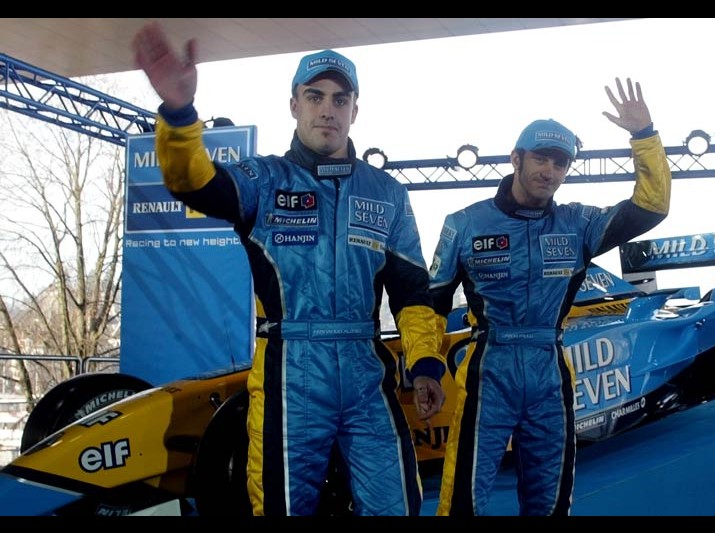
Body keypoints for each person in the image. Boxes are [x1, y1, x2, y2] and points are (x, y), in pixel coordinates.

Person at [130, 22, 447, 516]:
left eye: (340, 99)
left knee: (398, 504)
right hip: (290, 371)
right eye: (315, 96)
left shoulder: (388, 194)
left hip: (367, 373)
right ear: (294, 104)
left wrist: (426, 362)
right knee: (280, 507)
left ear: (354, 110)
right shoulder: (264, 179)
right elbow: (195, 184)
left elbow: (411, 294)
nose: (328, 108)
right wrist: (178, 113)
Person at [429, 77, 671, 516]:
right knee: (463, 497)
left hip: (549, 372)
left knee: (551, 500)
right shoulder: (463, 224)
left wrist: (644, 136)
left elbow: (651, 207)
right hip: (489, 371)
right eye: (541, 158)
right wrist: (425, 364)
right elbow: (432, 306)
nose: (549, 171)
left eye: (560, 164)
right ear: (516, 159)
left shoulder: (579, 224)